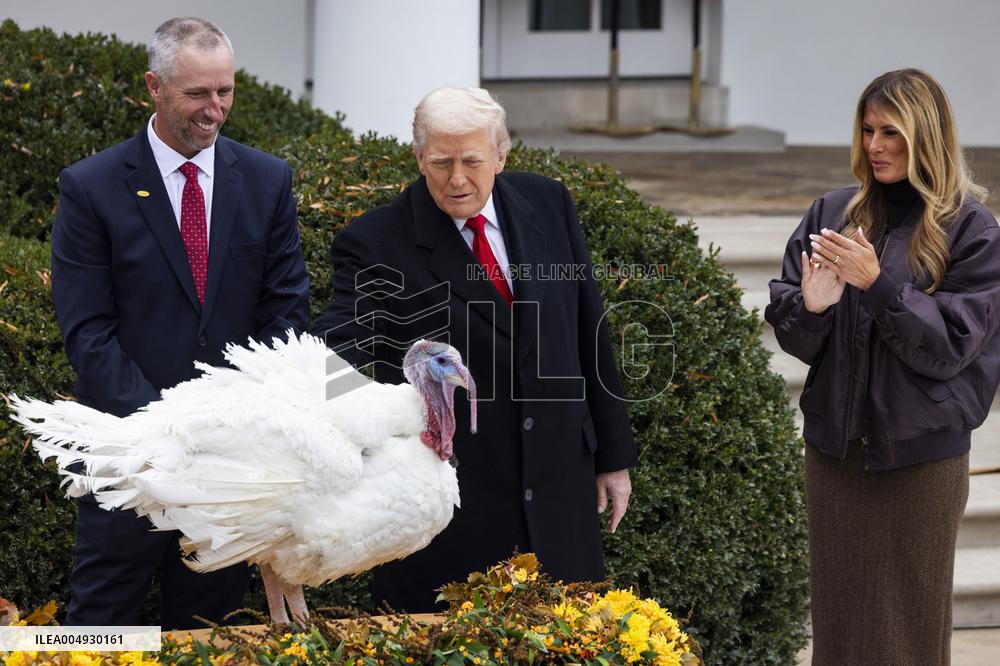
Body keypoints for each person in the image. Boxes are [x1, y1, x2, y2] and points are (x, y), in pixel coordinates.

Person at [311, 86, 637, 612]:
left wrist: (613, 459)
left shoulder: (548, 202)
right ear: (419, 158)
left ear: (501, 155)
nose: (456, 178)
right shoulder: (375, 242)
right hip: (458, 510)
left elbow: (586, 327)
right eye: (440, 163)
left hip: (561, 489)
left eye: (471, 161)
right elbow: (334, 358)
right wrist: (375, 448)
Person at [50, 17, 310, 629]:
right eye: (197, 94)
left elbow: (285, 314)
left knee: (207, 630)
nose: (214, 110)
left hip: (228, 463)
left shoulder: (268, 180)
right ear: (154, 88)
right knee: (99, 628)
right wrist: (166, 431)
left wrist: (232, 424)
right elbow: (88, 331)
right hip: (128, 454)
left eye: (225, 91)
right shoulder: (91, 187)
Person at [765, 69, 1000, 665]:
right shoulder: (834, 211)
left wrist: (878, 285)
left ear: (927, 135)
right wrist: (812, 308)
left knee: (907, 633)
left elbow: (951, 345)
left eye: (891, 132)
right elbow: (794, 325)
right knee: (840, 629)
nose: (875, 146)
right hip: (835, 453)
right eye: (867, 130)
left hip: (918, 460)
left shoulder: (971, 230)